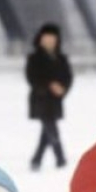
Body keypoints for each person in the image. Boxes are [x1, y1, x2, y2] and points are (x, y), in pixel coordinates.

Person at [26, 22, 73, 170]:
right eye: (46, 38)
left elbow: (68, 77)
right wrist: (49, 86)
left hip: (55, 100)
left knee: (46, 131)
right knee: (51, 129)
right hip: (40, 99)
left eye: (52, 38)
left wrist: (63, 89)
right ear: (40, 39)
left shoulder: (61, 58)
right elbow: (31, 77)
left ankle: (36, 159)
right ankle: (61, 159)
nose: (49, 41)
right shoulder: (34, 58)